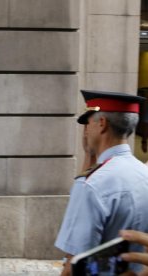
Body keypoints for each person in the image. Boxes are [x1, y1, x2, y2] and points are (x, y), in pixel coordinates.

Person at [54, 90, 148, 275]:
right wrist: (90, 154)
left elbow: (74, 264)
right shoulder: (143, 173)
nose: (85, 131)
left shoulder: (91, 184)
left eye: (88, 123)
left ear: (102, 124)